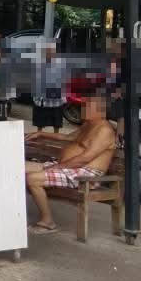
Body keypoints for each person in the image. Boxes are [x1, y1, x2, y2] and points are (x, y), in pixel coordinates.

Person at [24, 93, 118, 233]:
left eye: (87, 107)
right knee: (20, 167)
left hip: (86, 174)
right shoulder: (89, 125)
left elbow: (85, 158)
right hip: (69, 168)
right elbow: (66, 137)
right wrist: (41, 134)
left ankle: (47, 222)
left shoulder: (105, 130)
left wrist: (56, 167)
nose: (83, 109)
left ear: (101, 110)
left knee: (32, 178)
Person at [31, 41, 65, 132]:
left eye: (51, 50)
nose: (49, 52)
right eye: (47, 50)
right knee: (39, 123)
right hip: (42, 100)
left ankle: (56, 136)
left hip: (56, 100)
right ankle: (39, 135)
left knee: (56, 123)